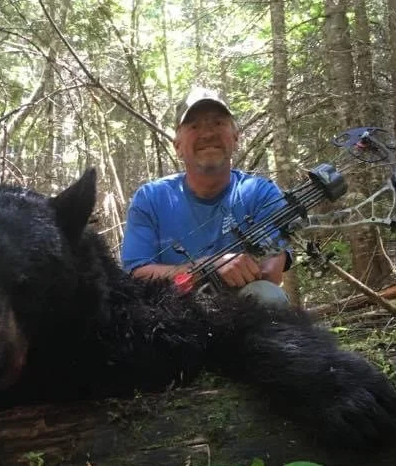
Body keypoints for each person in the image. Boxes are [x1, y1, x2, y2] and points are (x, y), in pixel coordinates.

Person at [120, 87, 292, 306]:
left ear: (235, 137)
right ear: (178, 146)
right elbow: (137, 274)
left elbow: (271, 272)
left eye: (218, 123)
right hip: (173, 316)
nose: (208, 133)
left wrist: (237, 270)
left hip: (241, 311)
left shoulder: (261, 193)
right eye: (194, 126)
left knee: (268, 297)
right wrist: (206, 269)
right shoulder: (151, 198)